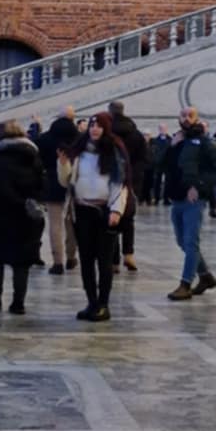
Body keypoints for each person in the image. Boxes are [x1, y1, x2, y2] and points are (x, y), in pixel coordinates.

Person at [59, 112, 128, 322]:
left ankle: (104, 303)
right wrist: (63, 164)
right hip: (82, 210)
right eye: (91, 126)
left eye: (98, 126)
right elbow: (66, 182)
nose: (94, 129)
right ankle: (91, 301)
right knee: (86, 259)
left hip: (104, 210)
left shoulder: (113, 151)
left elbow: (120, 183)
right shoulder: (78, 151)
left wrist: (116, 210)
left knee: (104, 260)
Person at [0, 120, 44, 312]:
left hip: (0, 211)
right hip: (25, 213)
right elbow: (41, 183)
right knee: (21, 261)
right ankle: (18, 302)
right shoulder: (34, 155)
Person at [165, 108, 216, 301]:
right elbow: (161, 165)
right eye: (183, 115)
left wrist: (198, 186)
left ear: (197, 118)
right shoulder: (176, 141)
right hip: (176, 198)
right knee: (182, 242)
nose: (186, 118)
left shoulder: (205, 142)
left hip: (194, 199)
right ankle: (206, 276)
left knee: (191, 242)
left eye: (190, 115)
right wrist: (170, 147)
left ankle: (185, 283)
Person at [107, 101, 147, 272]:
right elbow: (144, 158)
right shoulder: (135, 133)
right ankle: (129, 254)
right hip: (130, 182)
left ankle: (114, 260)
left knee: (111, 220)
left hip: (111, 180)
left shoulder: (107, 132)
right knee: (128, 219)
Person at [39, 106, 79, 277]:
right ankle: (71, 257)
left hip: (52, 182)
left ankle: (57, 262)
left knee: (55, 224)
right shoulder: (79, 138)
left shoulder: (45, 138)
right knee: (72, 222)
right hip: (75, 183)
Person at [147, 125, 172, 205]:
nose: (163, 130)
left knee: (168, 182)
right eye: (161, 129)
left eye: (164, 128)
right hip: (158, 164)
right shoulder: (154, 140)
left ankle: (166, 198)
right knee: (157, 182)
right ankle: (156, 198)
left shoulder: (170, 140)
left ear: (166, 129)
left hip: (167, 164)